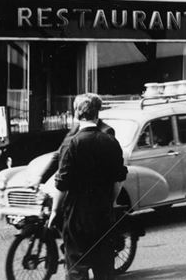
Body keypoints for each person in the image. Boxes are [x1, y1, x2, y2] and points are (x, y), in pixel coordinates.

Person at [53, 93, 128, 280]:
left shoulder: (71, 144)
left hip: (76, 219)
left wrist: (55, 211)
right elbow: (119, 179)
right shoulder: (110, 141)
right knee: (104, 271)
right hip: (103, 216)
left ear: (77, 114)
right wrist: (109, 201)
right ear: (97, 114)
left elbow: (62, 184)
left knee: (77, 271)